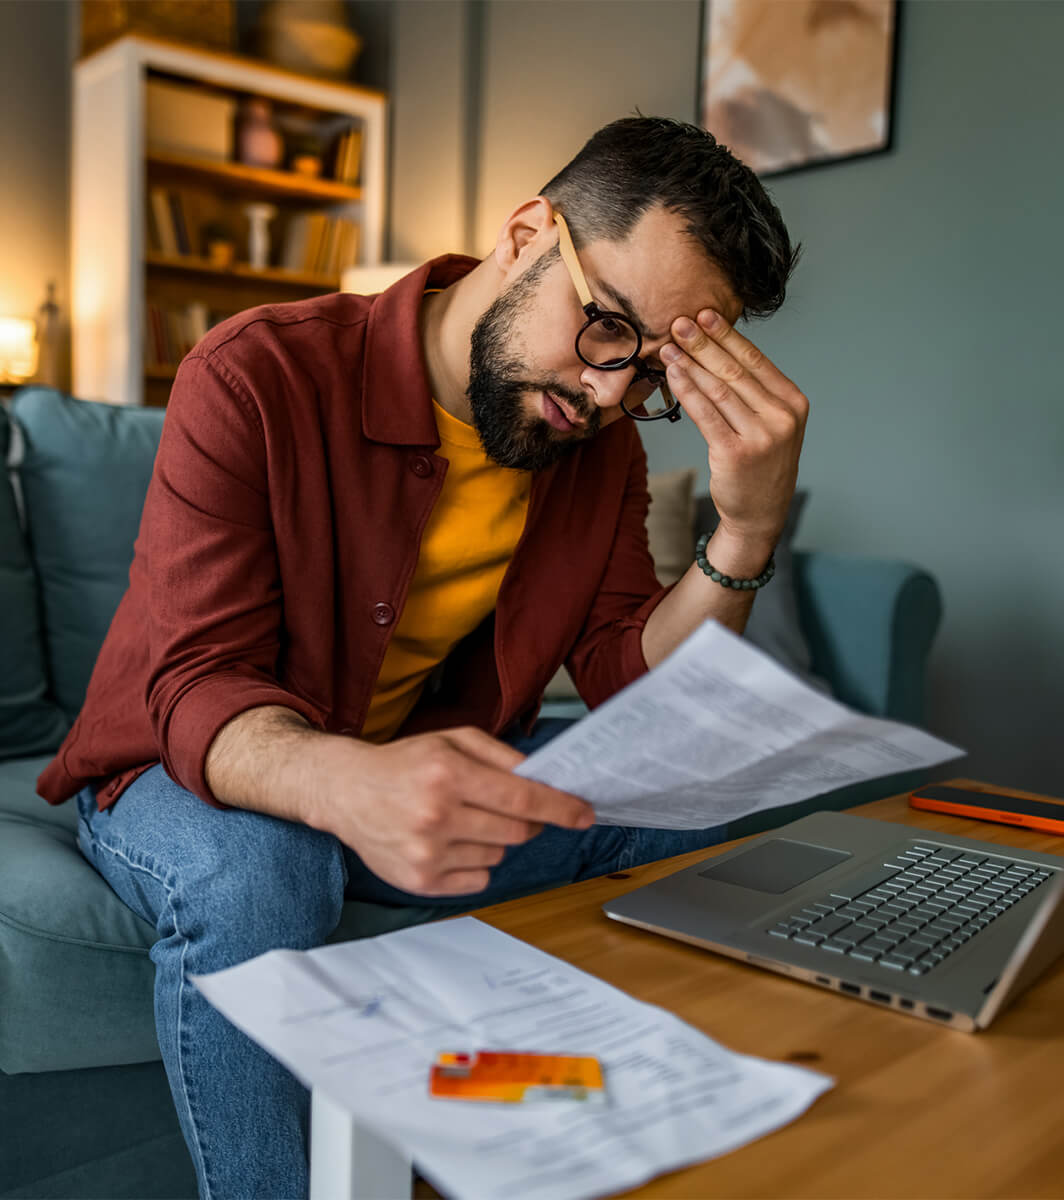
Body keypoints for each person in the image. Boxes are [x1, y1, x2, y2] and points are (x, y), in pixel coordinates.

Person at [38, 116, 807, 1199]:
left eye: (653, 378)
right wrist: (354, 786)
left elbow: (636, 693)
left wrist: (744, 537)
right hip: (184, 772)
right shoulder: (258, 372)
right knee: (271, 868)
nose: (607, 396)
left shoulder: (601, 449)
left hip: (416, 762)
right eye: (605, 329)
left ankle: (592, 1144)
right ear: (530, 231)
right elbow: (196, 680)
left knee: (683, 801)